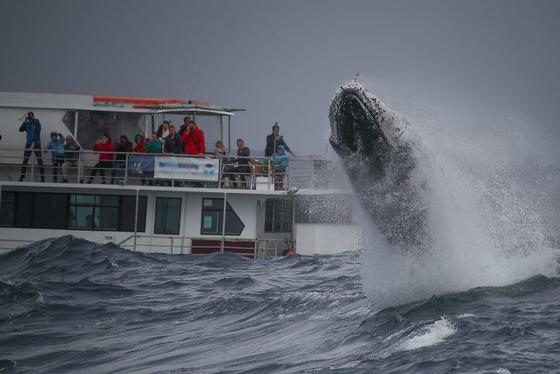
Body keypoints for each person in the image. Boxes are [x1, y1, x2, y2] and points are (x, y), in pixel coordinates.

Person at [18, 112, 45, 182]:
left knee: (39, 161)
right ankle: (22, 177)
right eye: (29, 115)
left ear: (33, 116)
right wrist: (25, 122)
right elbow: (20, 130)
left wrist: (34, 140)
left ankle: (43, 178)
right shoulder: (27, 123)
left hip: (36, 143)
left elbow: (38, 131)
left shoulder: (36, 122)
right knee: (25, 160)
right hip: (29, 144)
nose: (30, 116)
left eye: (31, 115)